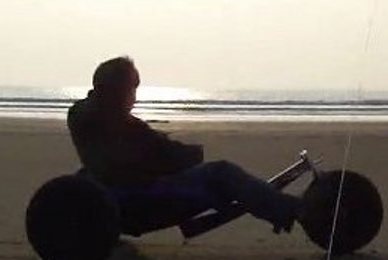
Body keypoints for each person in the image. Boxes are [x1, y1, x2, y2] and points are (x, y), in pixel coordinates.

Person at [67, 56, 300, 233]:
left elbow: (144, 147)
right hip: (139, 201)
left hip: (120, 194)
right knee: (221, 173)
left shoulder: (83, 113)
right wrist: (191, 154)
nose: (134, 98)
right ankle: (293, 210)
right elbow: (159, 154)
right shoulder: (112, 120)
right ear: (117, 90)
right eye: (131, 89)